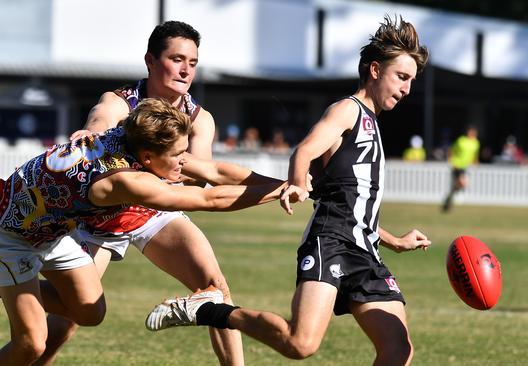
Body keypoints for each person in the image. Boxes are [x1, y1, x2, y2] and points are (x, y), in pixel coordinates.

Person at [145, 15, 431, 364]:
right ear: (375, 70)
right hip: (333, 242)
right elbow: (305, 151)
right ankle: (210, 310)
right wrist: (297, 181)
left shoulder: (372, 122)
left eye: (411, 81)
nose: (406, 88)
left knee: (398, 348)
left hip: (364, 248)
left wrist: (395, 240)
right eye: (401, 77)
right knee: (300, 344)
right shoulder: (347, 111)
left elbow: (353, 206)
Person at [0, 98, 292, 365]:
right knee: (31, 345)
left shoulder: (132, 139)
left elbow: (216, 173)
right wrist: (279, 191)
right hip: (11, 235)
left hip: (52, 231)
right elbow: (209, 199)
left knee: (90, 312)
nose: (184, 161)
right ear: (149, 157)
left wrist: (288, 183)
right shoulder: (123, 180)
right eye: (178, 154)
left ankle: (10, 286)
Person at [46, 21, 246, 365]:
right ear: (151, 61)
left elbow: (201, 178)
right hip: (101, 216)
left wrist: (175, 183)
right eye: (177, 59)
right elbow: (100, 120)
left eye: (193, 63)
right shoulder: (121, 102)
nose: (186, 70)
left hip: (154, 210)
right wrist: (90, 132)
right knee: (72, 316)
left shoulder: (200, 120)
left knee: (216, 289)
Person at [441, 125, 480, 212]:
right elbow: (452, 149)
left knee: (458, 185)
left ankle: (449, 199)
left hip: (464, 166)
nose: (472, 134)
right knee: (463, 183)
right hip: (457, 165)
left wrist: (475, 161)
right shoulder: (461, 140)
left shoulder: (476, 143)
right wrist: (451, 160)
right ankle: (450, 199)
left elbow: (475, 154)